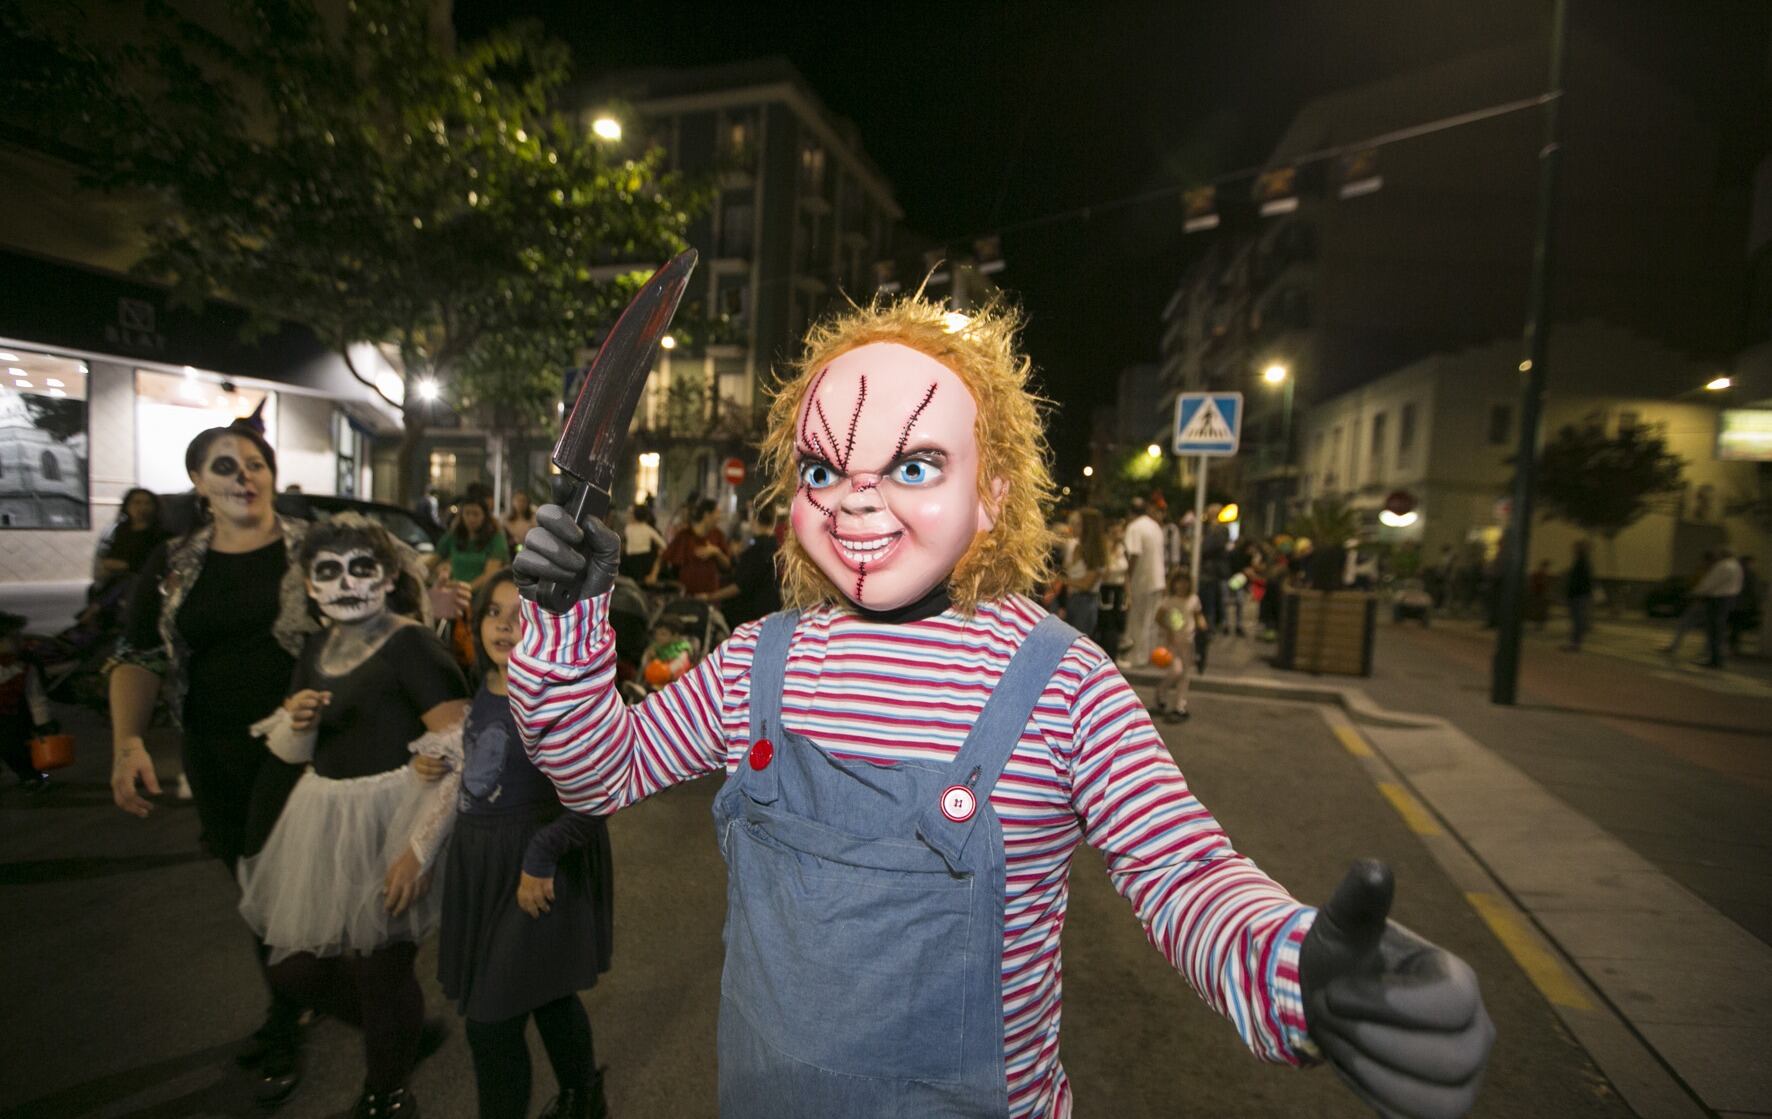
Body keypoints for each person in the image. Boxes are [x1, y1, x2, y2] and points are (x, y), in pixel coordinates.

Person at [509, 295, 1492, 1119]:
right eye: (822, 470)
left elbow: (1184, 876)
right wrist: (563, 621)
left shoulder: (1061, 683)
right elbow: (598, 769)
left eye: (912, 466)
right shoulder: (757, 662)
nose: (854, 502)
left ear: (994, 493)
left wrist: (1299, 974)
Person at [109, 423, 320, 1104]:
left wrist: (425, 604)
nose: (242, 475)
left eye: (255, 463)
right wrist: (126, 740)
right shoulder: (174, 564)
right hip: (213, 747)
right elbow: (138, 655)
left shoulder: (309, 547)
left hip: (303, 742)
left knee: (282, 880)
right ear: (198, 483)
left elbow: (381, 595)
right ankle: (319, 994)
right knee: (251, 884)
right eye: (224, 465)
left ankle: (295, 1013)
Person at [237, 514, 469, 1119]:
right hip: (323, 820)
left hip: (394, 820)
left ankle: (386, 1092)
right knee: (293, 970)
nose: (345, 583)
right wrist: (298, 721)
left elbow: (463, 743)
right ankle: (400, 1033)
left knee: (381, 970)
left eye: (361, 568)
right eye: (329, 571)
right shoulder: (317, 645)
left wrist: (418, 847)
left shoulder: (412, 642)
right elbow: (296, 749)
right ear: (309, 585)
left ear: (389, 576)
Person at [437, 572, 614, 1119]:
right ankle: (585, 1100)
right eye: (493, 613)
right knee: (550, 996)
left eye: (522, 615)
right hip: (488, 869)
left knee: (491, 1023)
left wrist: (541, 857)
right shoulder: (486, 687)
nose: (506, 626)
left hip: (537, 871)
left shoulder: (558, 697)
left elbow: (597, 791)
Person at [0, 611, 57, 791]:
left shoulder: (24, 666)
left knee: (21, 751)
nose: (18, 640)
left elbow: (35, 696)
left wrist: (43, 722)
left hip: (15, 718)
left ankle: (37, 777)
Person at [703, 504, 784, 629]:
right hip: (770, 609)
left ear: (754, 519)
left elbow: (740, 586)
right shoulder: (775, 546)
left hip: (752, 615)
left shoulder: (757, 550)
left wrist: (709, 597)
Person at [1150, 570, 1205, 723]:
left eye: (1185, 581)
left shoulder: (1193, 600)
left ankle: (1180, 705)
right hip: (1173, 641)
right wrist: (1168, 629)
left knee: (1186, 674)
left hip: (1189, 640)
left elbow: (1198, 615)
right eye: (1179, 581)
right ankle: (1161, 691)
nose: (1182, 585)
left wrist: (1202, 627)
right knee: (1176, 670)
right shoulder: (1168, 601)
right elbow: (1159, 618)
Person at [1121, 496, 1165, 666]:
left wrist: (1128, 578)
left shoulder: (1134, 527)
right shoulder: (1154, 525)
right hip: (1158, 578)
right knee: (1151, 621)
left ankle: (1137, 657)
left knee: (1137, 621)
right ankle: (1150, 655)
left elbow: (1134, 554)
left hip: (1142, 580)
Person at [660, 498, 730, 596]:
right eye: (717, 513)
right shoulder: (684, 535)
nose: (719, 517)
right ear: (707, 515)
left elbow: (727, 565)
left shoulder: (718, 535)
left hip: (710, 594)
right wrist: (653, 575)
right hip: (687, 593)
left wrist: (716, 552)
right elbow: (665, 556)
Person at [1691, 547, 1744, 669]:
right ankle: (1718, 658)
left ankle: (1714, 659)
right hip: (1730, 598)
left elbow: (1711, 582)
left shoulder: (1722, 566)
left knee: (1714, 629)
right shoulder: (1737, 566)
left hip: (1718, 599)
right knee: (1720, 628)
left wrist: (1697, 591)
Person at [1061, 508, 1106, 643]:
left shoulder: (1095, 552)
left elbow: (1087, 584)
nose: (1073, 527)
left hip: (1085, 602)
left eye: (1079, 524)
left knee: (1077, 644)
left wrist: (1062, 580)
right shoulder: (1075, 546)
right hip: (1072, 599)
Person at [618, 501, 667, 585]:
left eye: (630, 513)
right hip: (646, 562)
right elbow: (663, 545)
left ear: (634, 515)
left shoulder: (628, 528)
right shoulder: (648, 529)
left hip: (629, 562)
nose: (627, 515)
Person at [1561, 541, 1594, 652]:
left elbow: (1579, 581)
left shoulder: (1582, 563)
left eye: (1576, 549)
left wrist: (1570, 593)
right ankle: (1575, 642)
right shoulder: (1582, 563)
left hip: (1578, 595)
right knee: (1576, 619)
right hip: (1579, 595)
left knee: (1577, 619)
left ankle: (1575, 643)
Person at [1728, 555, 1760, 656]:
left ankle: (1732, 644)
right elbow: (1753, 590)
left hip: (1733, 602)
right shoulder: (1750, 574)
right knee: (1738, 626)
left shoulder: (1735, 572)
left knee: (1734, 625)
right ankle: (1734, 646)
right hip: (1744, 604)